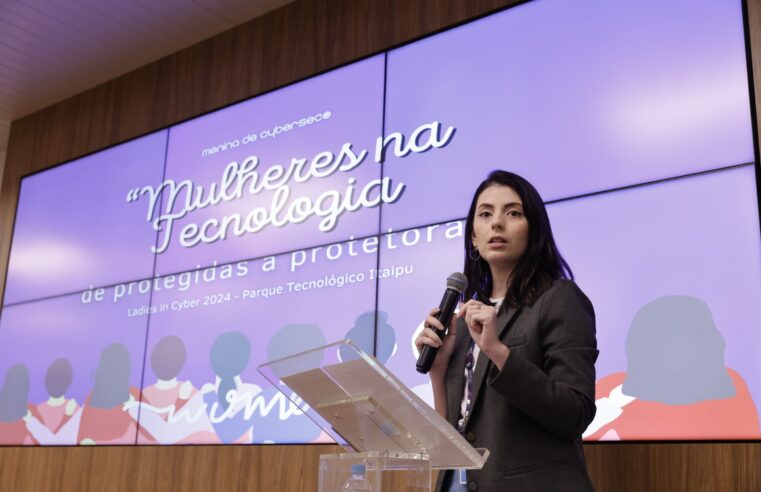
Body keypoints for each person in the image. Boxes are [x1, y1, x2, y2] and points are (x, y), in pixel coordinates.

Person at [415, 170, 598, 491]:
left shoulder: (559, 299)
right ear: (473, 235)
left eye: (513, 213)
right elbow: (452, 438)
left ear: (534, 230)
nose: (496, 223)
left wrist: (498, 351)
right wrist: (439, 371)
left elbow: (575, 414)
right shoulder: (464, 317)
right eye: (485, 214)